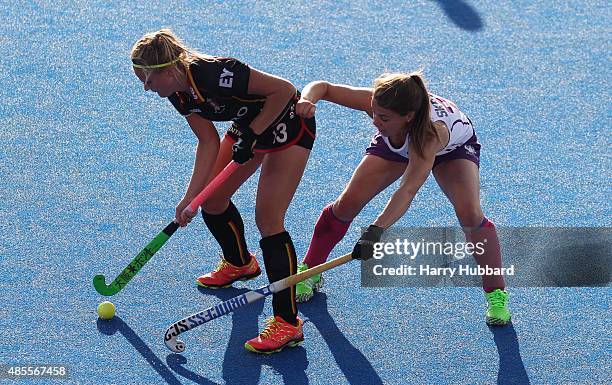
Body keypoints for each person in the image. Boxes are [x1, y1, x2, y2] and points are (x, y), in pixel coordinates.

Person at [131, 29, 317, 353]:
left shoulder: (216, 74)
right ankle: (240, 262)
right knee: (212, 201)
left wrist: (255, 134)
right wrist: (190, 197)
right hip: (249, 126)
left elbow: (284, 91)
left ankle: (288, 323)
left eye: (148, 81)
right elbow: (206, 140)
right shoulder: (179, 93)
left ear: (168, 69)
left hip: (286, 125)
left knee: (269, 220)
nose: (146, 90)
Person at [294, 71, 511, 326]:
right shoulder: (380, 105)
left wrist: (375, 232)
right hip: (398, 140)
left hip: (452, 150)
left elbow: (407, 190)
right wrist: (307, 100)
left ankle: (496, 293)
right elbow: (324, 86)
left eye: (383, 117)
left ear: (408, 116)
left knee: (470, 214)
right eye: (374, 113)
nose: (375, 121)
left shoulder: (430, 135)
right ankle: (310, 270)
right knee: (347, 203)